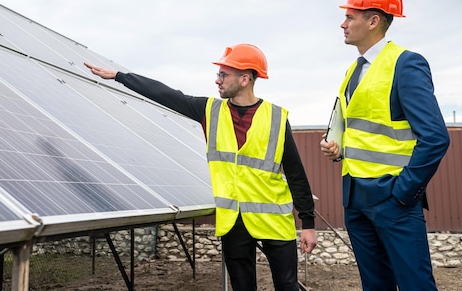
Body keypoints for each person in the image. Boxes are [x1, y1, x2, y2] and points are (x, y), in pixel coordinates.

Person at [85, 43, 317, 291]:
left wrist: (308, 224)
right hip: (234, 222)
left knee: (287, 286)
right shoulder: (209, 110)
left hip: (274, 221)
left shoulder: (276, 118)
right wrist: (121, 77)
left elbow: (296, 175)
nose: (217, 80)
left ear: (245, 79)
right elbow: (167, 94)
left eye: (223, 74)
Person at [320, 0, 450, 291]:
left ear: (373, 20)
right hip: (355, 198)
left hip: (392, 198)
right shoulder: (354, 71)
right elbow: (366, 131)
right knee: (375, 286)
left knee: (415, 285)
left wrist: (403, 193)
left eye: (351, 16)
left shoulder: (406, 64)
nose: (343, 23)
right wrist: (338, 149)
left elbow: (435, 138)